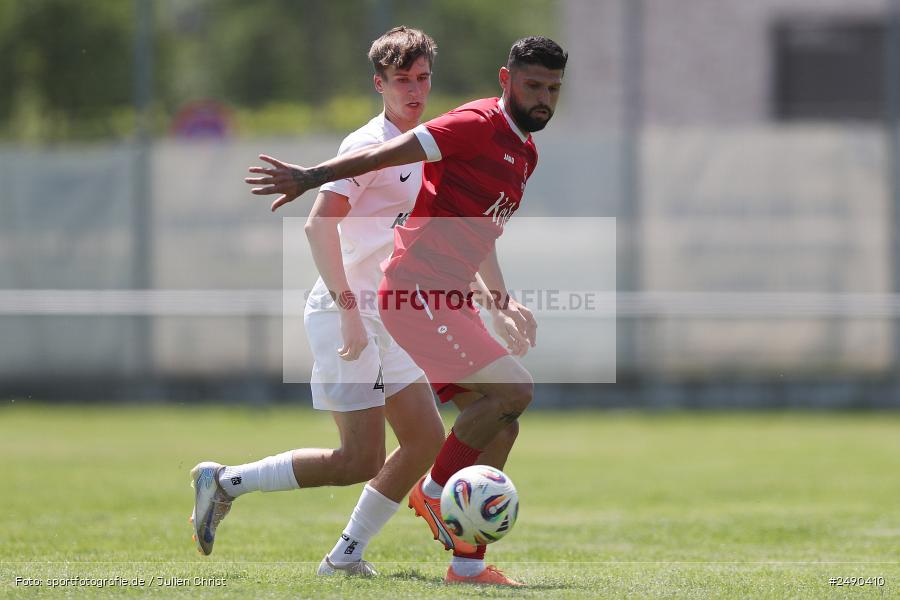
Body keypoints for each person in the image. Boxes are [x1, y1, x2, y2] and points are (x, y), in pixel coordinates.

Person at [245, 36, 567, 586]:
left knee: (500, 427)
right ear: (505, 80)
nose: (543, 98)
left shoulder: (524, 150)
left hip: (446, 298)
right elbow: (385, 154)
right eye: (532, 85)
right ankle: (435, 491)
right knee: (513, 391)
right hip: (413, 292)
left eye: (553, 89)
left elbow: (477, 231)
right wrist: (310, 177)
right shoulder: (474, 125)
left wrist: (501, 301)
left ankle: (466, 566)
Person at [191, 26, 452, 577]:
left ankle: (345, 556)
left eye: (422, 78)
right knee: (359, 460)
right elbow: (317, 226)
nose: (414, 90)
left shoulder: (425, 143)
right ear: (379, 83)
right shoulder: (366, 146)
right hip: (345, 314)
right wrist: (351, 314)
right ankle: (225, 481)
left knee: (426, 438)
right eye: (402, 80)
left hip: (389, 317)